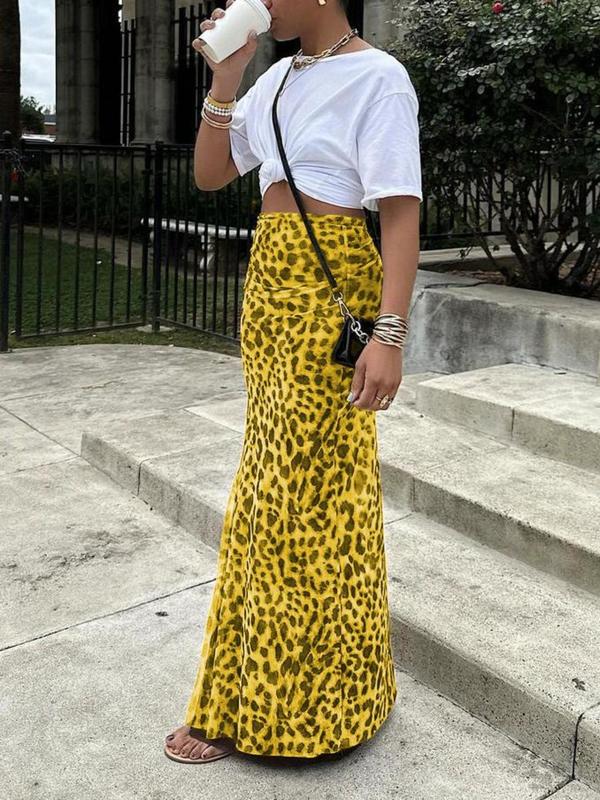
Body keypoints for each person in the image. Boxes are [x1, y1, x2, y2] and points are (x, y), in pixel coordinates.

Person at [164, 0, 422, 764]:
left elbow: (400, 214)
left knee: (308, 498)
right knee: (266, 491)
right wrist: (227, 80)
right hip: (270, 291)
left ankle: (305, 713)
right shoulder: (275, 80)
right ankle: (252, 698)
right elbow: (211, 175)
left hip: (332, 286)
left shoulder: (379, 78)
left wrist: (389, 336)